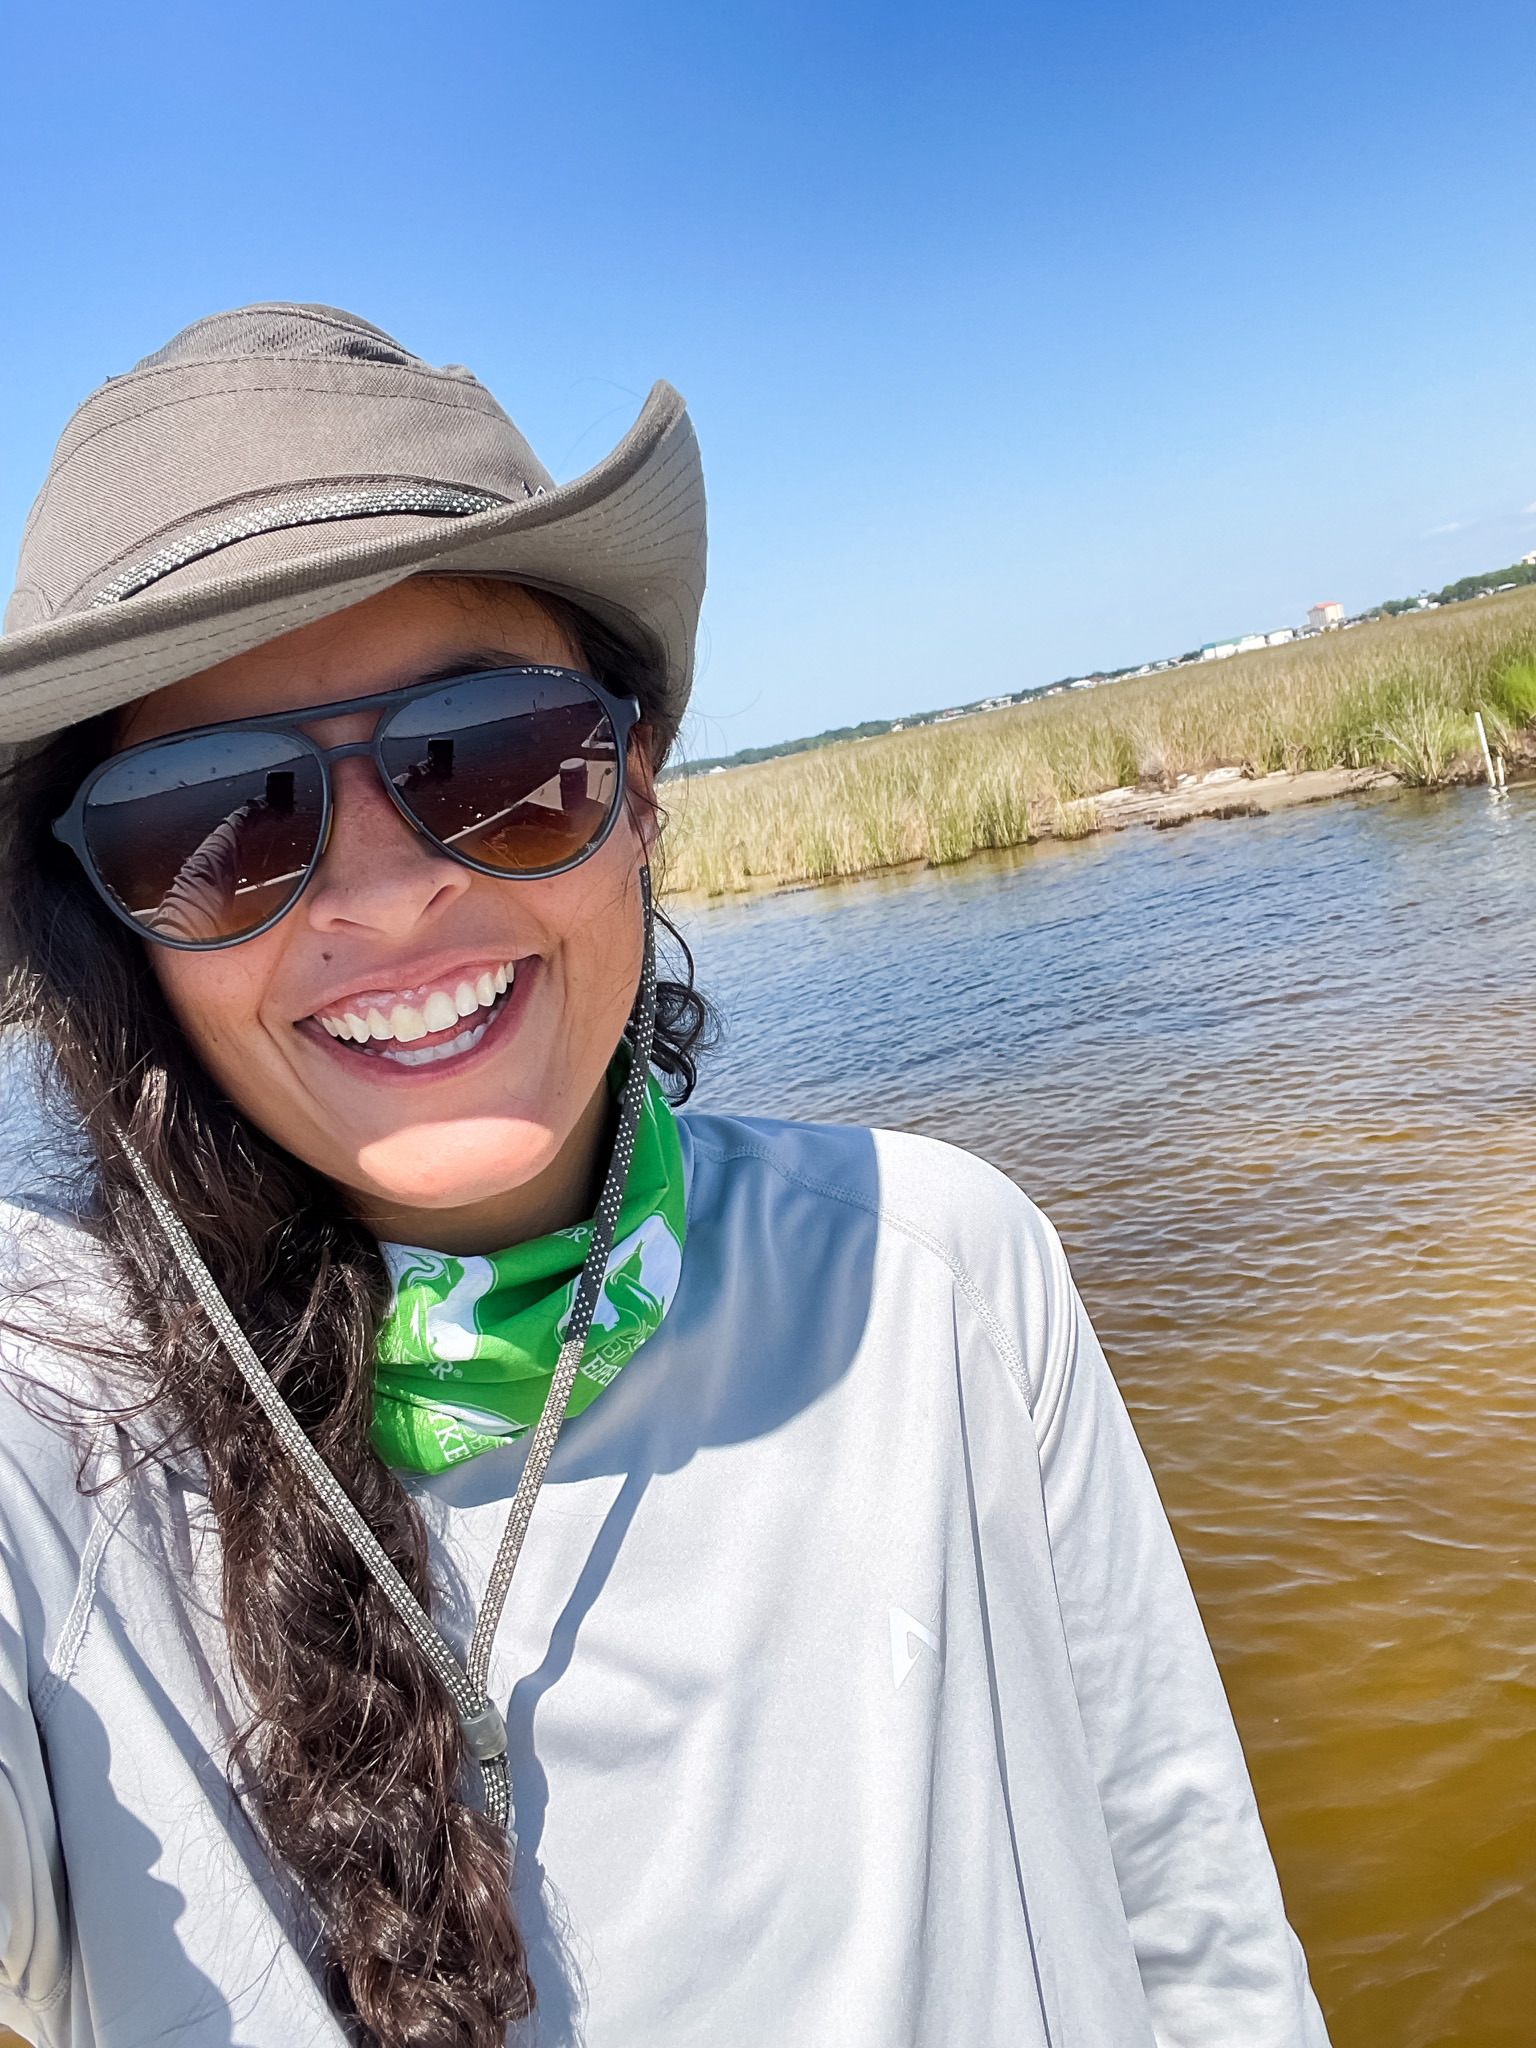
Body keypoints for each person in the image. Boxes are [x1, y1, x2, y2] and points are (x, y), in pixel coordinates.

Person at [0, 304, 1331, 2048]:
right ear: (115, 927)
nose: (388, 897)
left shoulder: (938, 1280)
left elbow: (1199, 1924)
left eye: (485, 758)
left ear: (637, 786)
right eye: (213, 818)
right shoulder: (56, 1430)